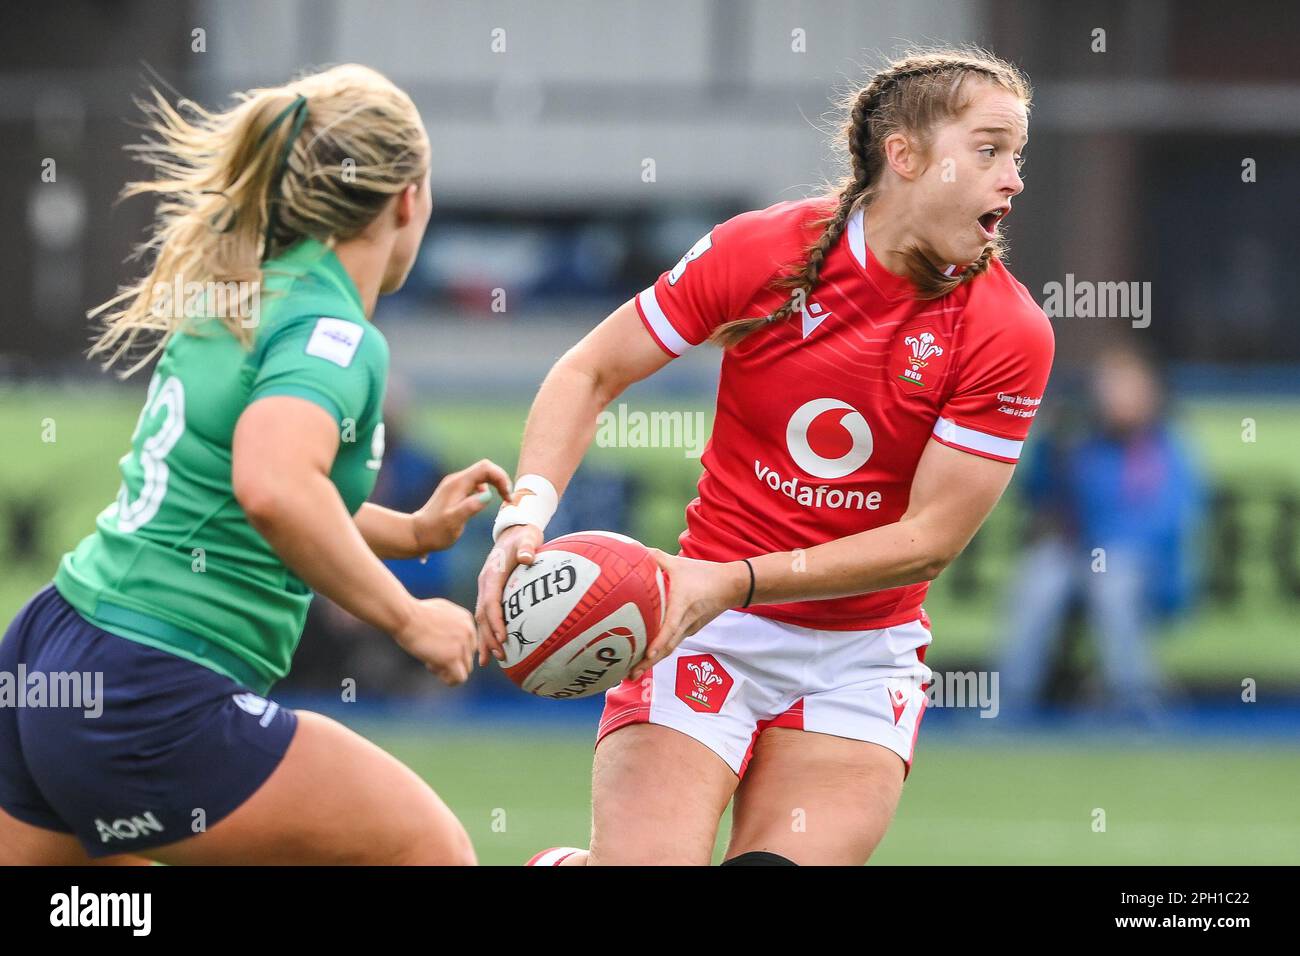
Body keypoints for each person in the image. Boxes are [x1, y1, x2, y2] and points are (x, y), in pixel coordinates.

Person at [475, 47, 1056, 866]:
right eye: (991, 149)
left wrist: (736, 579)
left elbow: (930, 540)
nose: (1014, 179)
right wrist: (524, 518)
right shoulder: (765, 252)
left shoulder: (1008, 330)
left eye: (1017, 156)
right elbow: (591, 370)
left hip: (857, 658)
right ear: (905, 156)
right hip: (704, 629)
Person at [0, 64, 510, 865]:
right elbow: (272, 489)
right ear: (408, 199)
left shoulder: (239, 292)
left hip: (54, 648)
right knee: (429, 850)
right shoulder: (331, 332)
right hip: (149, 683)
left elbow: (252, 491)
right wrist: (409, 618)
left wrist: (410, 532)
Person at [996, 346, 1205, 723]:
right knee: (1040, 578)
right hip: (1075, 555)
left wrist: (1103, 548)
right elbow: (1035, 496)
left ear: (1149, 392)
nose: (1116, 397)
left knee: (1112, 582)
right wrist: (1051, 445)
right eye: (1109, 387)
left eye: (1126, 387)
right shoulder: (1076, 439)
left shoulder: (1163, 448)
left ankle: (1136, 703)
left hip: (1139, 566)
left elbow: (1168, 523)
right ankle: (1010, 702)